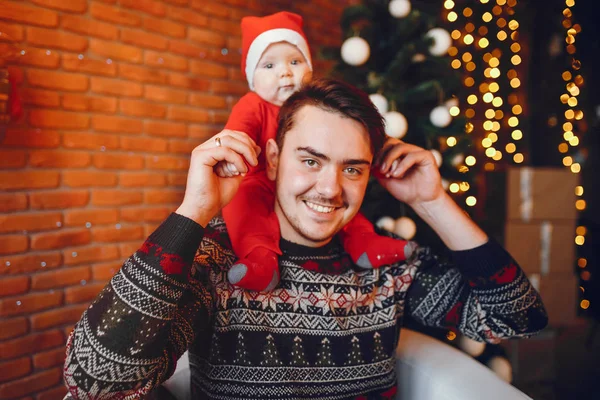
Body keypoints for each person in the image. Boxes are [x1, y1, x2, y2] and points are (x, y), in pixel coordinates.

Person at [63, 79, 548, 400]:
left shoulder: (385, 265)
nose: (331, 188)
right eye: (311, 161)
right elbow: (93, 379)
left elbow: (518, 318)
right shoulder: (218, 258)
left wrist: (431, 201)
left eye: (351, 168)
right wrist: (193, 210)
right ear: (272, 159)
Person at [219, 11, 412, 292]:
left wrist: (385, 146)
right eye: (269, 66)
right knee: (243, 207)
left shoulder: (319, 108)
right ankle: (259, 257)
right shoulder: (253, 106)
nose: (285, 72)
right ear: (252, 77)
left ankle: (364, 242)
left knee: (346, 208)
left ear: (309, 70)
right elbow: (236, 135)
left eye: (295, 62)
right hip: (258, 177)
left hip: (298, 191)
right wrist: (229, 156)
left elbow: (350, 136)